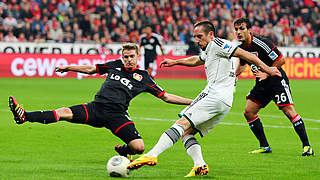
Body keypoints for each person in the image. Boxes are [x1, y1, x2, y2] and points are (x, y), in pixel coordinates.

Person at [127, 21, 281, 177]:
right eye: (195, 37)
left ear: (211, 35)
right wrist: (176, 62)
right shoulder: (211, 48)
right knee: (187, 133)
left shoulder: (218, 43)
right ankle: (200, 165)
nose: (197, 40)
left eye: (199, 36)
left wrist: (268, 69)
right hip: (224, 101)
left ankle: (152, 154)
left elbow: (245, 55)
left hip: (214, 95)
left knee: (181, 123)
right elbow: (197, 60)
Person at [8, 43, 193, 160]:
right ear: (123, 57)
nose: (128, 60)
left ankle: (124, 150)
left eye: (131, 56)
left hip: (117, 115)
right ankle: (24, 116)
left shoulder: (144, 77)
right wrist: (69, 67)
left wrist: (192, 102)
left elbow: (166, 96)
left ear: (138, 56)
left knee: (139, 147)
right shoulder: (115, 65)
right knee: (63, 112)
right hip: (96, 108)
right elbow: (90, 69)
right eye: (125, 56)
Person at [233, 18, 314, 156]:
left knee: (289, 112)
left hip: (276, 81)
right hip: (261, 84)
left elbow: (281, 59)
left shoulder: (262, 43)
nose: (238, 32)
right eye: (236, 29)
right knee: (249, 112)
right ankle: (264, 146)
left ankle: (307, 147)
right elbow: (242, 65)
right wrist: (233, 77)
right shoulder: (241, 48)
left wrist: (266, 72)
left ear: (250, 30)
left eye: (242, 28)